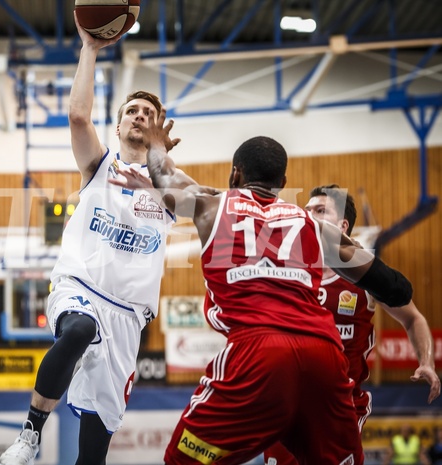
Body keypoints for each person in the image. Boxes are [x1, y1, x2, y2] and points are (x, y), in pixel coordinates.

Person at [111, 110, 416, 464]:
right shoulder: (313, 225)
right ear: (283, 181)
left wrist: (155, 145)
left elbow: (166, 176)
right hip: (324, 355)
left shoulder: (213, 205)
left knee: (184, 459)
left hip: (259, 351)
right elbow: (394, 286)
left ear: (235, 173)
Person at [0, 12, 179, 465]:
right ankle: (30, 433)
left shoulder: (172, 186)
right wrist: (90, 49)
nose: (139, 117)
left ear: (159, 129)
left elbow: (214, 207)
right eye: (131, 112)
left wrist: (160, 170)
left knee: (92, 456)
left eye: (148, 114)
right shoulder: (100, 166)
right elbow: (79, 116)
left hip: (129, 318)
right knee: (79, 328)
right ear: (118, 128)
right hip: (79, 288)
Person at [263, 185, 440, 465]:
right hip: (288, 403)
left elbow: (413, 317)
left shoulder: (366, 276)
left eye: (320, 211)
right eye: (307, 211)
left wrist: (426, 361)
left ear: (342, 226)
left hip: (338, 406)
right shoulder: (284, 271)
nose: (309, 217)